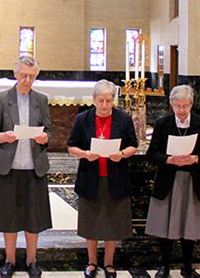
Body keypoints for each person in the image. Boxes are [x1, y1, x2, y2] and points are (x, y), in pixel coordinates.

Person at [0, 56, 52, 278]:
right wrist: (3, 137)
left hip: (34, 167)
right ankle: (10, 260)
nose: (27, 80)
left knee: (33, 218)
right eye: (24, 75)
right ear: (15, 74)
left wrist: (45, 138)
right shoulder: (2, 99)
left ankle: (32, 260)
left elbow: (50, 131)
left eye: (32, 76)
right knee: (9, 216)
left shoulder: (41, 100)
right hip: (9, 166)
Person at [67, 80, 138, 278]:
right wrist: (85, 154)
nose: (105, 105)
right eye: (101, 100)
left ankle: (108, 263)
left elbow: (134, 144)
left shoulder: (123, 119)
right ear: (94, 100)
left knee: (112, 221)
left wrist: (122, 154)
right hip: (90, 177)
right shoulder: (83, 119)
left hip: (115, 177)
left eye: (109, 100)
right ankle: (91, 262)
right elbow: (71, 146)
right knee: (91, 220)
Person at [145, 85, 200, 278]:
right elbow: (152, 154)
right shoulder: (162, 123)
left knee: (189, 226)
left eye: (185, 106)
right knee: (166, 225)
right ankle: (165, 266)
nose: (182, 110)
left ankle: (187, 266)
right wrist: (169, 159)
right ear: (171, 105)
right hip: (169, 180)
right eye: (178, 106)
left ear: (192, 104)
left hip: (193, 181)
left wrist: (195, 158)